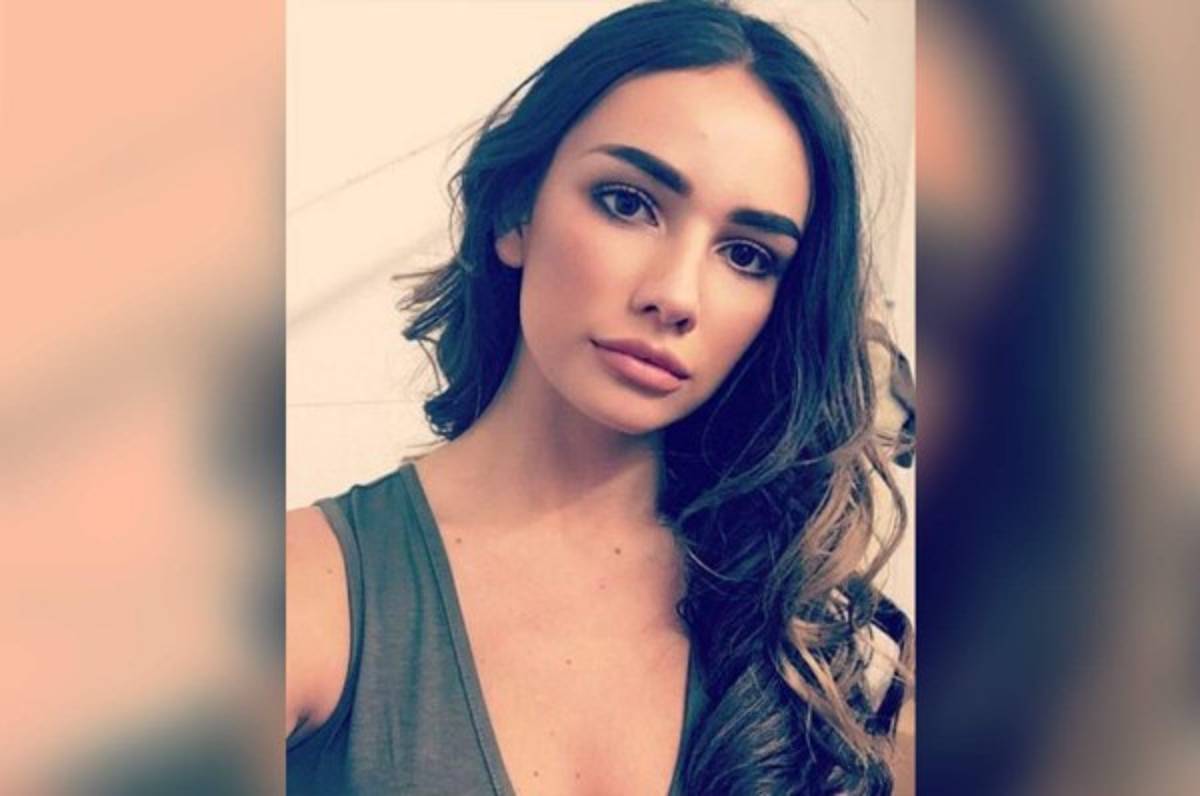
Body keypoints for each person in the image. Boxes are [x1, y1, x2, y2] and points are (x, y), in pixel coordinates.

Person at [286, 1, 912, 793]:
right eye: (628, 202)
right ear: (515, 212)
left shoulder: (810, 637)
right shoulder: (307, 595)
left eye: (747, 255)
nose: (676, 294)